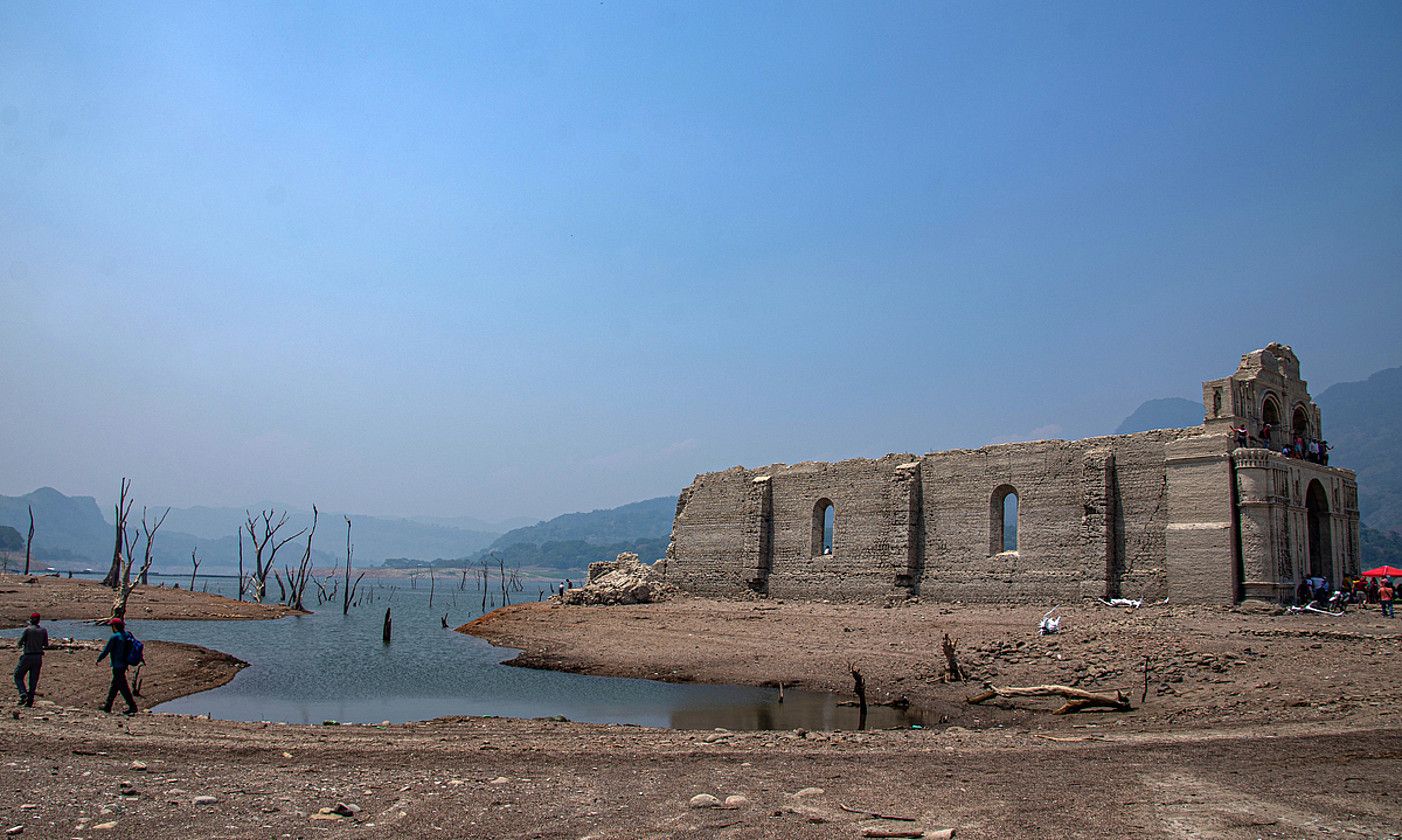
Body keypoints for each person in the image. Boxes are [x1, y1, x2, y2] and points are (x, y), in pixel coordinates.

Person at [96, 618, 137, 715]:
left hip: (117, 665)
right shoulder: (127, 635)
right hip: (124, 664)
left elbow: (107, 650)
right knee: (115, 685)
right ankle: (107, 706)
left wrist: (99, 658)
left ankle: (132, 706)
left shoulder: (115, 637)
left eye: (112, 626)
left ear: (115, 627)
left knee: (123, 687)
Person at [13, 612, 47, 707]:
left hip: (28, 656)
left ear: (31, 620)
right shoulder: (43, 630)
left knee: (18, 675)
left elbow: (20, 642)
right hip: (38, 657)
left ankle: (23, 693)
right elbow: (45, 644)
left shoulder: (28, 630)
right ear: (39, 620)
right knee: (33, 680)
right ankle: (30, 701)